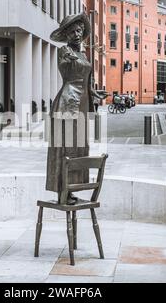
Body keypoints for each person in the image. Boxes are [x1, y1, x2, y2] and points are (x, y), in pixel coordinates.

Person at [46, 13, 103, 205]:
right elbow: (66, 73)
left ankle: (73, 187)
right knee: (65, 148)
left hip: (82, 104)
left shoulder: (83, 54)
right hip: (68, 102)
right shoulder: (65, 51)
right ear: (67, 35)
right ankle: (62, 190)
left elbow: (84, 78)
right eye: (72, 32)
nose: (76, 34)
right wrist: (67, 61)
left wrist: (93, 92)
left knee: (79, 148)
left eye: (79, 30)